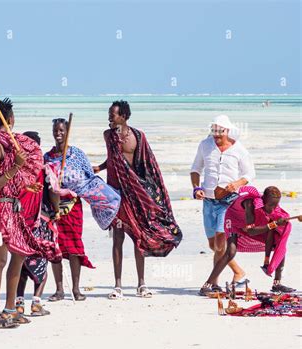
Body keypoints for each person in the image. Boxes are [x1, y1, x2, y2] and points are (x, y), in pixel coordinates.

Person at [0, 99, 61, 329]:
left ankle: (10, 310)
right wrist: (17, 167)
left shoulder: (9, 143)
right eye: (13, 116)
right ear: (9, 119)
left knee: (20, 254)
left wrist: (26, 186)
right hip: (0, 208)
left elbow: (8, 180)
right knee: (0, 259)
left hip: (13, 205)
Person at [94, 100, 182, 299]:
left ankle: (141, 283)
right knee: (117, 238)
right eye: (109, 114)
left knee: (138, 238)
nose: (109, 118)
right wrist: (100, 168)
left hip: (136, 194)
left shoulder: (138, 137)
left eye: (113, 115)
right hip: (115, 195)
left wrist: (150, 192)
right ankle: (118, 285)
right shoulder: (108, 136)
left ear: (124, 116)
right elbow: (113, 159)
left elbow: (147, 164)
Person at [44, 118, 121, 301]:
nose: (58, 134)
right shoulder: (47, 157)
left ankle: (76, 289)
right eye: (56, 130)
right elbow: (45, 183)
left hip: (73, 206)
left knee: (74, 248)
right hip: (54, 209)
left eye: (62, 130)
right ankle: (60, 289)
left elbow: (88, 179)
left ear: (68, 131)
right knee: (55, 248)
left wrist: (104, 200)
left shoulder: (77, 154)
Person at [191, 114, 255, 295]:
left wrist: (235, 184)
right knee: (214, 246)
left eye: (220, 132)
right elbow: (195, 169)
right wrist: (196, 188)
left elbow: (250, 174)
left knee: (220, 244)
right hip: (208, 202)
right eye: (214, 132)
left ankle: (213, 283)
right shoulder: (205, 145)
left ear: (227, 131)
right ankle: (238, 272)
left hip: (229, 202)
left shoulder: (239, 149)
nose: (217, 136)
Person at [199, 186, 296, 295]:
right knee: (231, 252)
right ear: (263, 199)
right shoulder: (249, 203)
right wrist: (274, 223)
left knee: (280, 242)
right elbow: (251, 231)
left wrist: (266, 260)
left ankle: (277, 284)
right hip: (233, 220)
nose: (273, 209)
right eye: (270, 205)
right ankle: (207, 285)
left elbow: (270, 232)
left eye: (275, 205)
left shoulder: (268, 206)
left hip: (247, 222)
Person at [15, 131, 64, 316]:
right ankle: (36, 302)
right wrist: (57, 210)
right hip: (40, 220)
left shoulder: (16, 168)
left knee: (20, 262)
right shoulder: (44, 168)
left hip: (20, 221)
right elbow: (54, 192)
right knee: (41, 260)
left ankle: (19, 303)